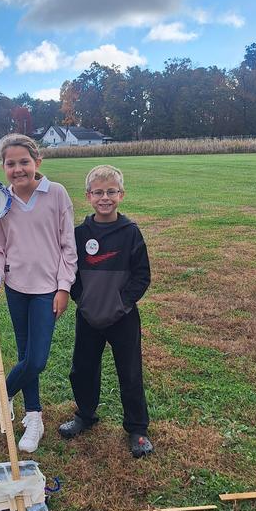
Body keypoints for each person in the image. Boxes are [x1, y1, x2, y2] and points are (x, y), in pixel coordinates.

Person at [0, 133, 77, 453]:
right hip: (15, 287)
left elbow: (68, 245)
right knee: (26, 355)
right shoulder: (0, 201)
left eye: (24, 162)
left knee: (37, 359)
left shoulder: (57, 194)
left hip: (47, 289)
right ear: (3, 167)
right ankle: (33, 416)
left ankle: (4, 388)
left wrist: (64, 287)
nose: (18, 169)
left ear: (37, 162)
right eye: (11, 163)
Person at [58, 164, 153, 458]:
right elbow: (68, 272)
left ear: (121, 195)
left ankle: (137, 428)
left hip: (122, 317)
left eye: (111, 192)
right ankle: (85, 415)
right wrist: (81, 299)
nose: (105, 197)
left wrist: (122, 302)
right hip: (88, 315)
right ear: (88, 196)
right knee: (82, 369)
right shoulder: (79, 234)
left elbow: (142, 275)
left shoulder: (130, 233)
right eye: (98, 192)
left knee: (130, 372)